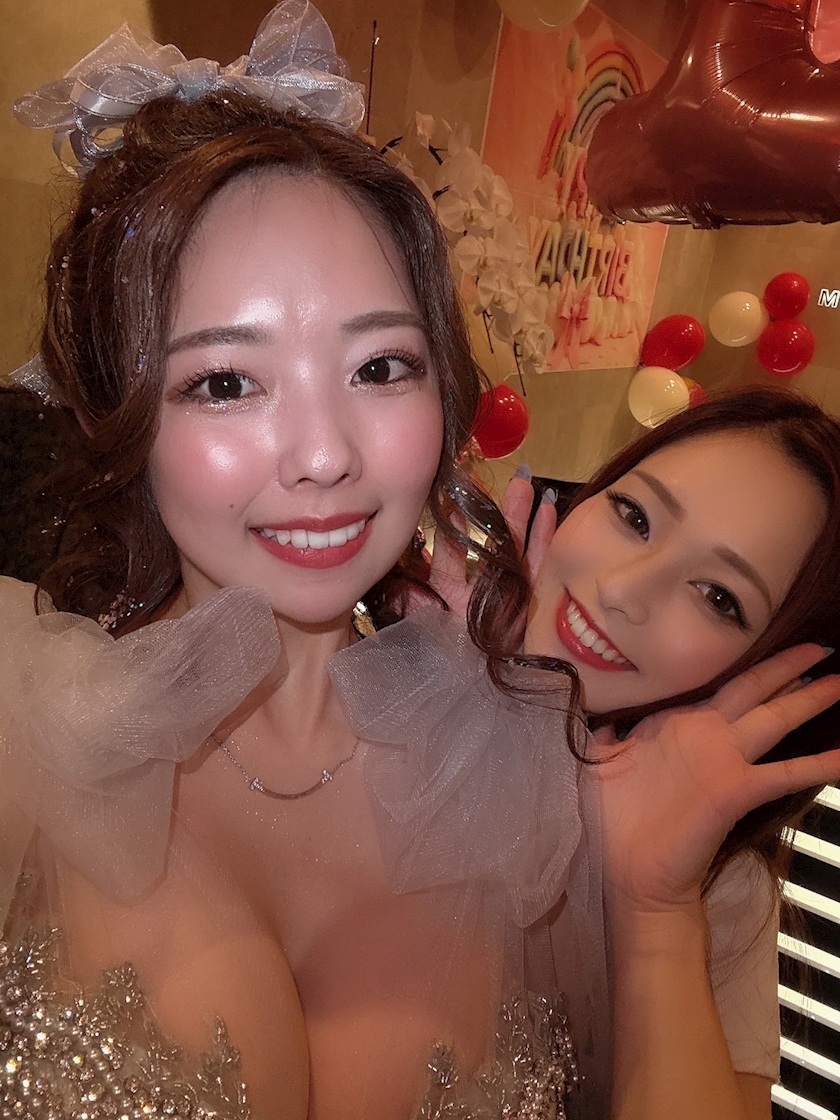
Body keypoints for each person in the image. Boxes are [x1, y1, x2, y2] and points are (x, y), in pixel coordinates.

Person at [2, 5, 591, 1120]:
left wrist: (659, 917)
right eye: (226, 382)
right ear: (117, 416)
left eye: (380, 366)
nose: (325, 455)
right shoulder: (22, 727)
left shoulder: (514, 761)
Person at [518, 386, 840, 1119]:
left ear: (771, 673)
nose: (623, 590)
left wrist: (653, 911)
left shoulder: (714, 884)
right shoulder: (386, 682)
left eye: (718, 597)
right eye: (634, 516)